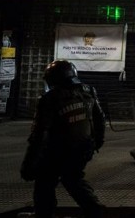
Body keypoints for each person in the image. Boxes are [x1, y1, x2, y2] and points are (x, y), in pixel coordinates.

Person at [20, 60, 106, 217]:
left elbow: (40, 134)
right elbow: (100, 118)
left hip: (58, 150)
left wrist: (29, 163)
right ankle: (94, 209)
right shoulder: (88, 90)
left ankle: (44, 214)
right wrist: (97, 142)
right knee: (73, 179)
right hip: (83, 147)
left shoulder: (49, 98)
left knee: (45, 181)